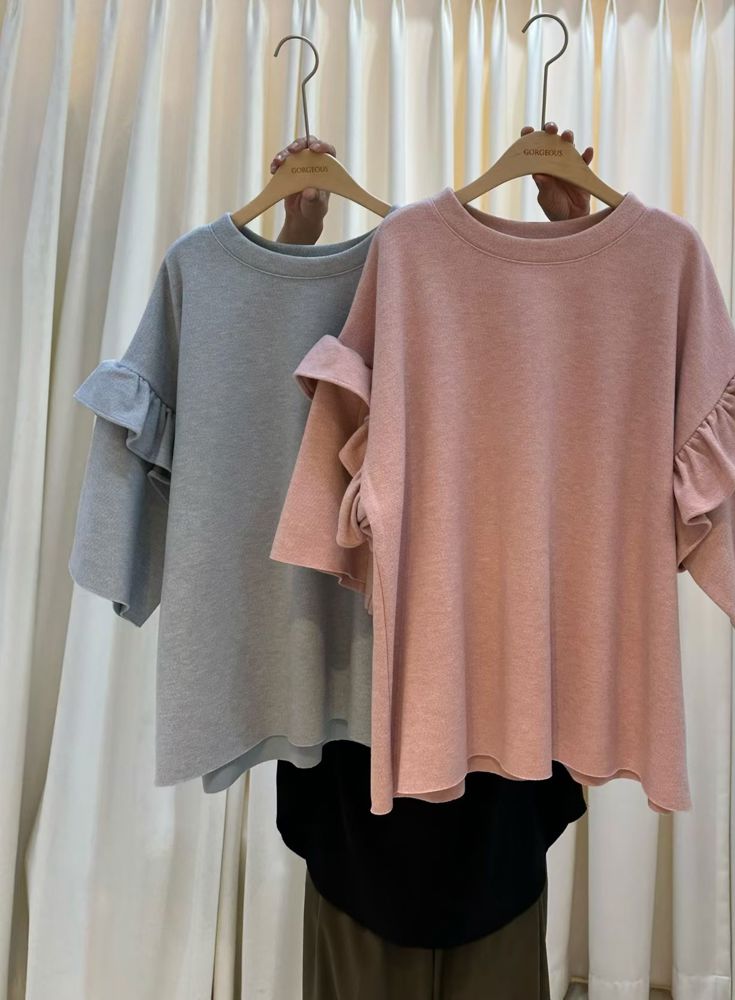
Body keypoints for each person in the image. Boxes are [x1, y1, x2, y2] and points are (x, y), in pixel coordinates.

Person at [271, 124, 594, 1000]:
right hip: (358, 740)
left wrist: (576, 243)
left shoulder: (557, 313)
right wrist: (295, 243)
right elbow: (279, 422)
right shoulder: (388, 267)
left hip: (501, 761)